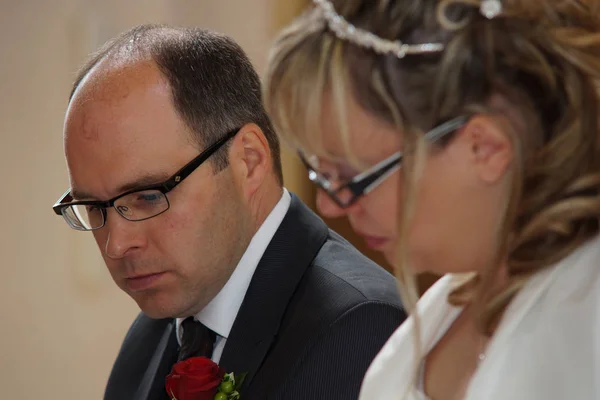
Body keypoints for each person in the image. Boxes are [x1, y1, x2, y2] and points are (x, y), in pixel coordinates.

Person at [263, 0, 600, 399]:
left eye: (353, 178)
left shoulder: (586, 312)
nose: (329, 205)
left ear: (485, 148)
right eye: (320, 171)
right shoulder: (449, 301)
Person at [52, 24, 405, 400]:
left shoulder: (360, 327)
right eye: (92, 207)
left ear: (248, 162)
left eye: (148, 196)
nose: (117, 245)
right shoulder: (151, 334)